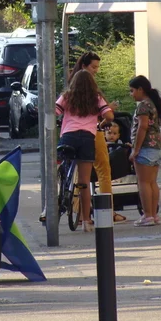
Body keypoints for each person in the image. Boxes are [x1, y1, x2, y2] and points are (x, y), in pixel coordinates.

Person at [55, 70, 113, 232]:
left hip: (68, 137)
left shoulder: (67, 97)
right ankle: (86, 221)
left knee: (62, 165)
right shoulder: (96, 98)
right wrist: (100, 123)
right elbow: (109, 115)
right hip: (88, 138)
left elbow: (55, 111)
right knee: (84, 182)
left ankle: (63, 189)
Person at [70, 52, 124, 222]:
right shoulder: (92, 89)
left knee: (80, 175)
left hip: (72, 134)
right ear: (84, 66)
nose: (96, 71)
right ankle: (108, 211)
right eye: (94, 67)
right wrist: (109, 109)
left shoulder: (72, 86)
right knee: (103, 170)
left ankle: (79, 213)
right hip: (94, 133)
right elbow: (102, 114)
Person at [128, 75, 161, 227]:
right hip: (158, 146)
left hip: (146, 147)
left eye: (132, 91)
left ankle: (147, 215)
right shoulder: (153, 104)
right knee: (152, 182)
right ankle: (154, 215)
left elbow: (142, 127)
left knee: (143, 182)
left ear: (140, 89)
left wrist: (135, 150)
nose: (131, 94)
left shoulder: (142, 106)